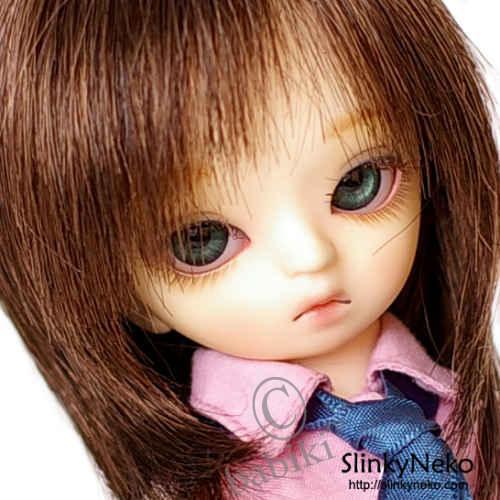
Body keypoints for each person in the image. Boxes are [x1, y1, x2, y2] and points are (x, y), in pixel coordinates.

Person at [0, 1, 498, 498]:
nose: (310, 257)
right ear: (129, 296)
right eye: (203, 241)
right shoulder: (216, 477)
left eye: (357, 183)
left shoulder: (453, 403)